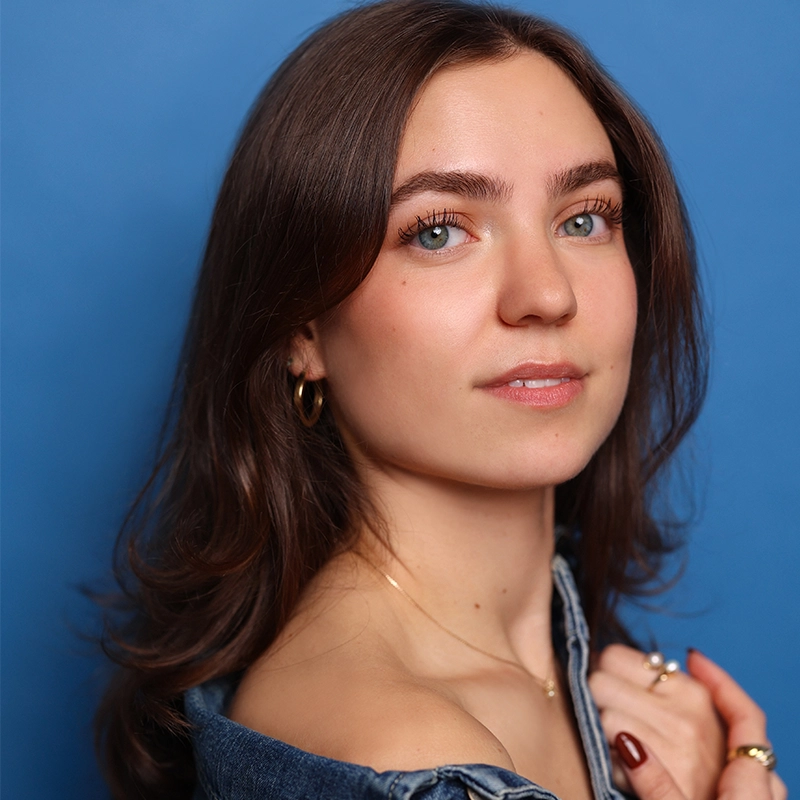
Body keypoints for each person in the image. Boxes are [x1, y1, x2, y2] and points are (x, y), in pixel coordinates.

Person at [95, 1, 785, 798]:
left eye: (585, 218)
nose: (546, 295)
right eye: (437, 231)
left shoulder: (577, 676)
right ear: (300, 327)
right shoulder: (409, 753)